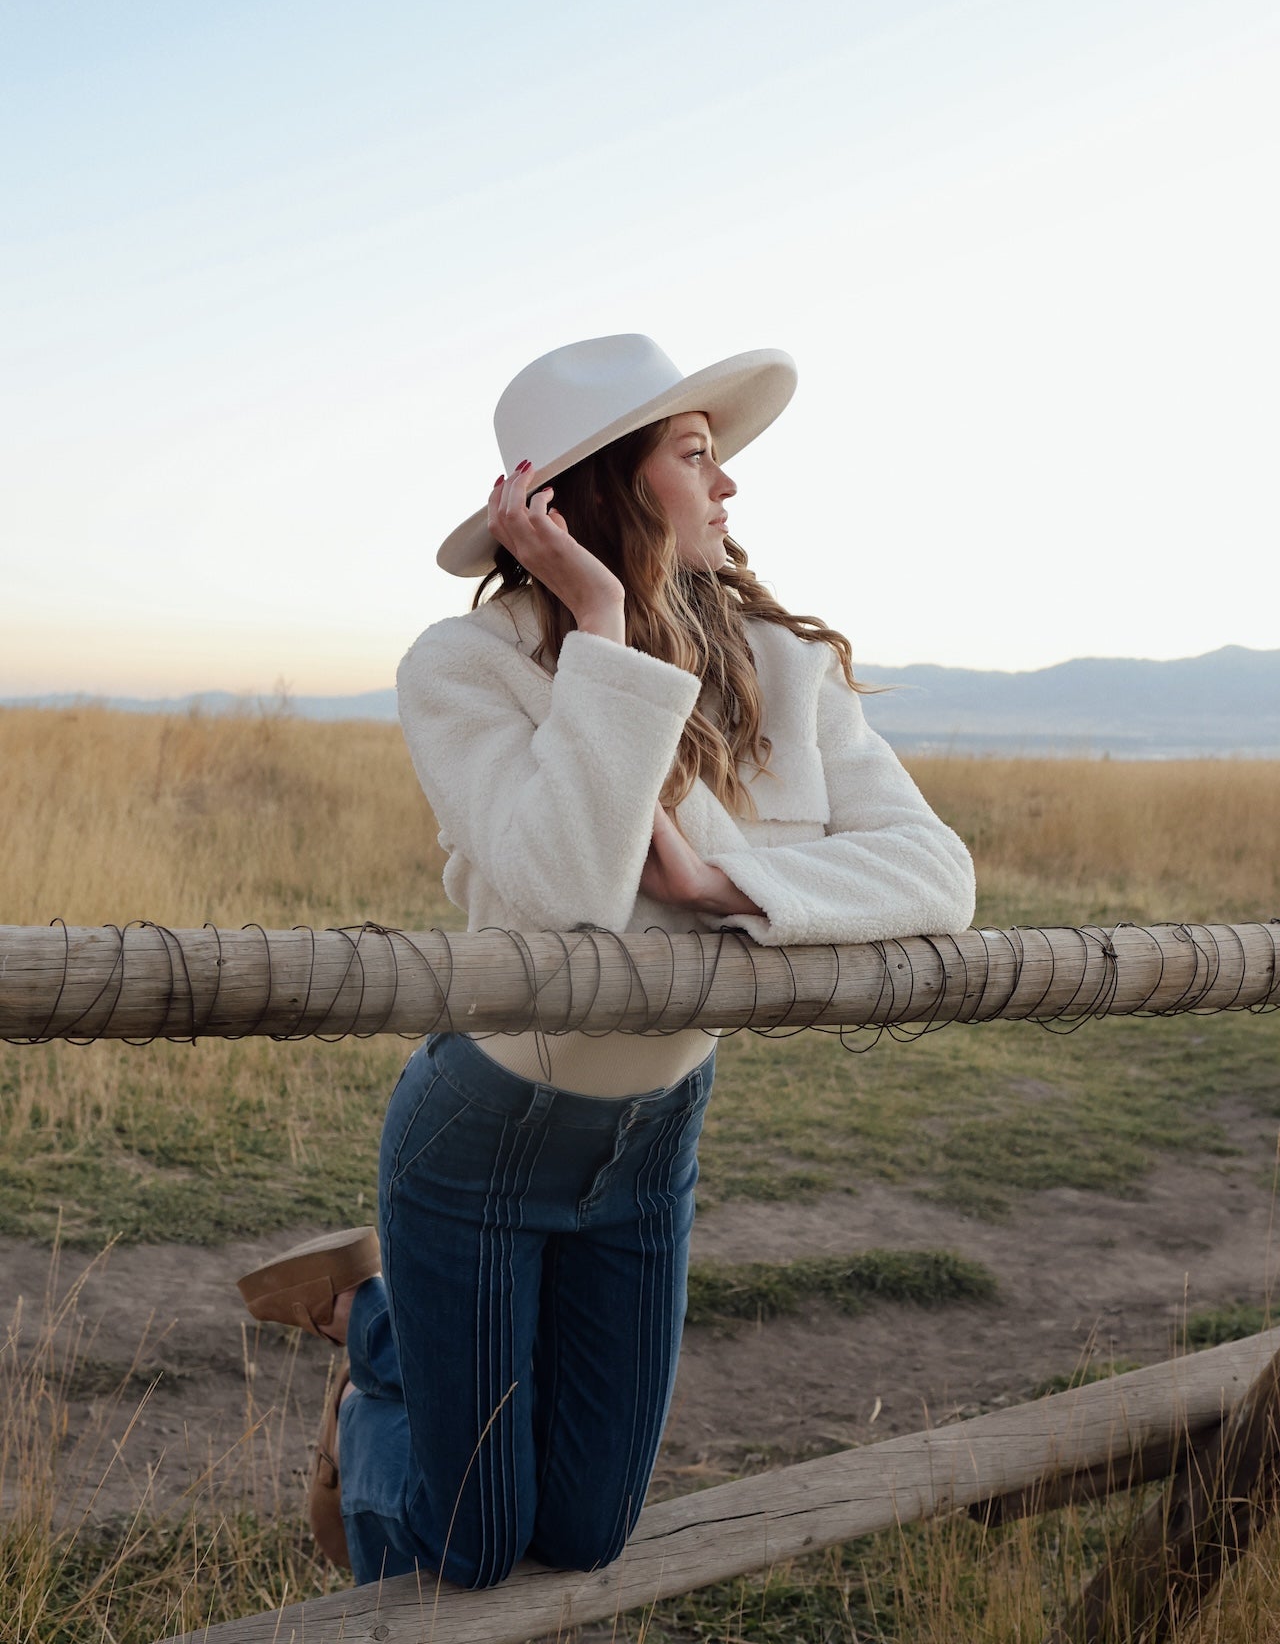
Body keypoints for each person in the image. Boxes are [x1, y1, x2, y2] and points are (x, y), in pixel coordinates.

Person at [236, 332, 976, 1587]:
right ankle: (375, 1348)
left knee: (581, 1538)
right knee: (467, 1550)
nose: (728, 487)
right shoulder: (464, 666)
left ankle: (385, 1311)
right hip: (479, 1131)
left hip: (654, 1135)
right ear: (595, 489)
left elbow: (936, 873)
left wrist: (715, 878)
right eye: (695, 455)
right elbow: (569, 895)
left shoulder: (781, 668)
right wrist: (601, 622)